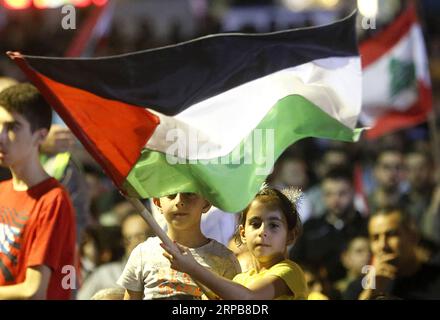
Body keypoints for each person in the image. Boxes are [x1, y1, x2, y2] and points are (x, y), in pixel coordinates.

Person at [161, 187, 308, 300]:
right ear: (243, 233)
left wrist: (193, 267)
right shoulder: (240, 280)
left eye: (274, 225)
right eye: (255, 224)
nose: (263, 232)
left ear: (290, 236)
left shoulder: (289, 271)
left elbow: (249, 298)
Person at [0, 83, 76, 299]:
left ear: (41, 136)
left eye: (12, 128)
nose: (1, 136)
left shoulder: (53, 200)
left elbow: (34, 290)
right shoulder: (3, 190)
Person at [117, 192, 241, 300]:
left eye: (189, 194)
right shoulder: (142, 254)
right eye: (171, 195)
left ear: (206, 203)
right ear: (157, 203)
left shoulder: (225, 259)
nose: (179, 201)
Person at [290, 167, 368, 283]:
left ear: (353, 192)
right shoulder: (311, 228)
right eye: (329, 194)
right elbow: (294, 263)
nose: (335, 200)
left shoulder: (367, 226)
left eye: (342, 193)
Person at [344, 208, 440, 300]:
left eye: (391, 234)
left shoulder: (436, 279)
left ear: (413, 236)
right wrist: (372, 292)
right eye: (375, 238)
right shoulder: (357, 288)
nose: (382, 245)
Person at [77, 211, 154, 299]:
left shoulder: (166, 272)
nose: (133, 244)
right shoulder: (105, 274)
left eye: (139, 237)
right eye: (128, 239)